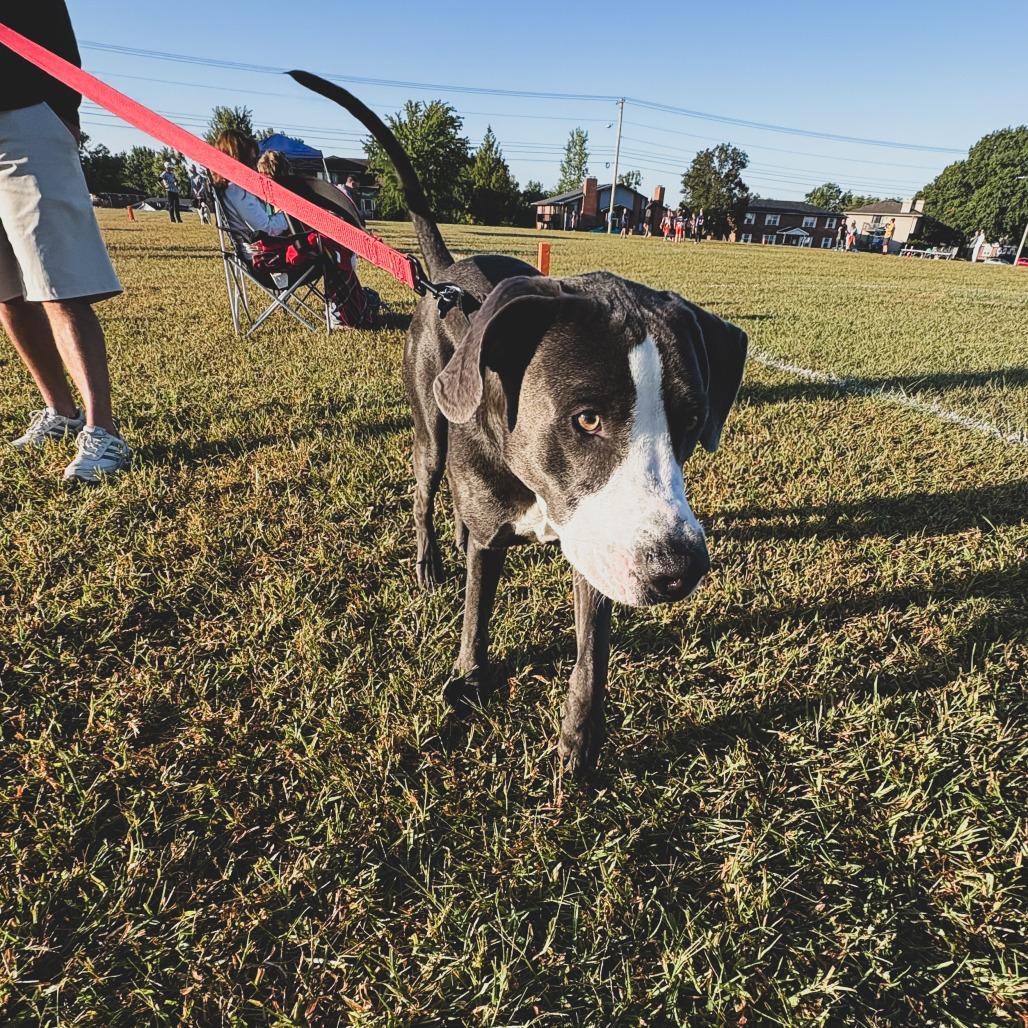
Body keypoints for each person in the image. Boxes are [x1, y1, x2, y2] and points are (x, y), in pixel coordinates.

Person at [0, 1, 130, 482]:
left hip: (26, 118)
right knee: (8, 292)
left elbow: (56, 35)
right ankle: (61, 411)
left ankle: (103, 431)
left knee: (58, 282)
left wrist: (62, 113)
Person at [212, 129, 371, 328]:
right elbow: (268, 228)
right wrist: (294, 212)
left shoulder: (231, 188)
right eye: (250, 158)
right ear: (239, 155)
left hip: (264, 251)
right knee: (331, 244)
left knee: (331, 240)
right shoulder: (236, 189)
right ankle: (343, 311)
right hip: (267, 258)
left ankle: (348, 305)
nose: (253, 163)